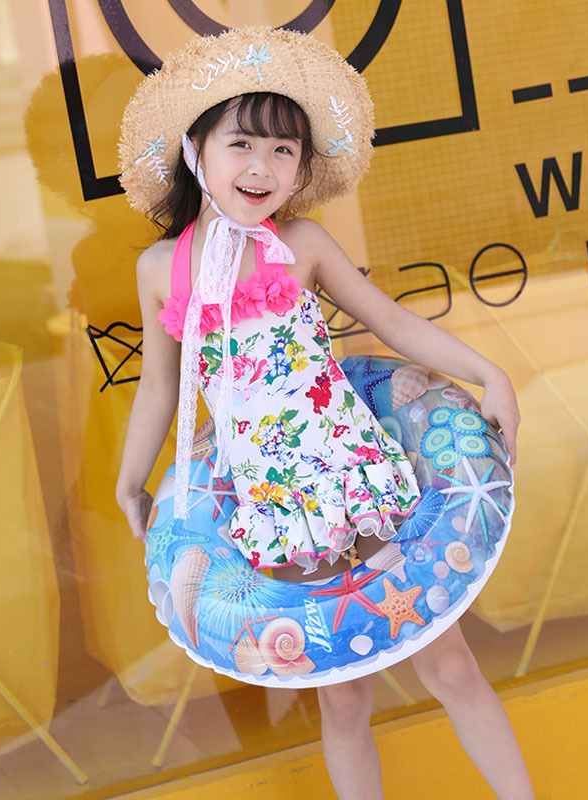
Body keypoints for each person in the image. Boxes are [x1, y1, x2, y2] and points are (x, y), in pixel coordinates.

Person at [116, 26, 533, 799]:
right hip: (274, 507)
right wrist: (130, 478)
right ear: (196, 149)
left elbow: (390, 319)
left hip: (356, 479)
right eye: (242, 144)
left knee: (448, 664)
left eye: (284, 150)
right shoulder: (158, 269)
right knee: (342, 697)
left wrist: (489, 372)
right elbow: (158, 388)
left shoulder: (301, 243)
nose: (262, 167)